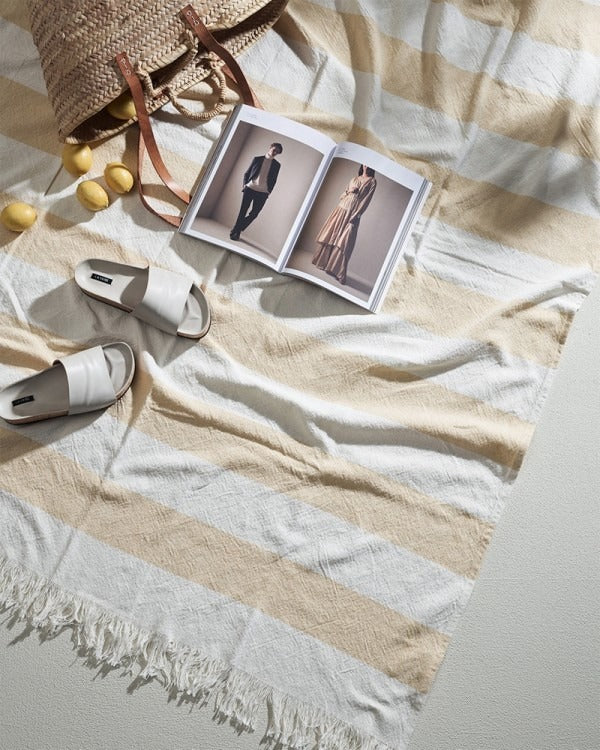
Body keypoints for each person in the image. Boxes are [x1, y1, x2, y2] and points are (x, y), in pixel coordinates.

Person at [312, 164, 376, 284]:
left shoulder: (372, 181)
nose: (366, 166)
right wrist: (349, 191)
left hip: (353, 211)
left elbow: (366, 200)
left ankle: (336, 270)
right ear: (362, 165)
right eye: (364, 164)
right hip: (342, 207)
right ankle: (322, 262)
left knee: (344, 240)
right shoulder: (354, 178)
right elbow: (343, 194)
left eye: (369, 164)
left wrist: (357, 214)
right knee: (332, 233)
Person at [229, 142, 283, 241]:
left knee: (254, 214)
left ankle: (237, 228)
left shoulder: (277, 165)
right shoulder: (257, 159)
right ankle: (236, 233)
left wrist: (269, 191)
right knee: (243, 211)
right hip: (250, 188)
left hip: (263, 192)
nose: (275, 152)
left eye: (277, 152)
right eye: (274, 150)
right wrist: (244, 185)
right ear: (270, 147)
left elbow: (274, 180)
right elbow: (247, 173)